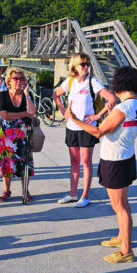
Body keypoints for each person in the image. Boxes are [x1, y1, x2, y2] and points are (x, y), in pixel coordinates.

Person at [66, 66, 137, 264]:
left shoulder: (123, 108)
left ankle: (127, 250)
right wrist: (108, 114)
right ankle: (121, 238)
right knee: (123, 203)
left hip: (115, 159)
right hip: (126, 155)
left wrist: (75, 120)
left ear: (119, 85)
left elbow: (99, 132)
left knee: (119, 206)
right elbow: (115, 127)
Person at [53, 53, 116, 208]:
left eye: (88, 64)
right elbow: (56, 95)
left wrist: (97, 116)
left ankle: (85, 196)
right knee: (74, 162)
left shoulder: (92, 82)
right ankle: (73, 194)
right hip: (72, 127)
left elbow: (112, 99)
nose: (86, 67)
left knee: (86, 162)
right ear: (75, 66)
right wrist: (64, 112)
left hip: (88, 128)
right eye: (83, 64)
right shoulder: (70, 81)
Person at [0, 67, 36, 202]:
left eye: (21, 78)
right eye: (15, 78)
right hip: (6, 136)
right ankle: (6, 191)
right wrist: (24, 114)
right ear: (9, 81)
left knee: (25, 163)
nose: (18, 81)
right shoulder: (3, 95)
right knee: (7, 162)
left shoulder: (26, 95)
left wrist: (27, 94)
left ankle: (25, 191)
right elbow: (4, 115)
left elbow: (33, 111)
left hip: (24, 136)